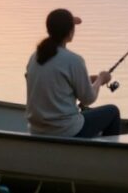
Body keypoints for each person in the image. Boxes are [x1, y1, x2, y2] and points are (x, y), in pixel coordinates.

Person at [25, 8, 121, 138]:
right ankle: (108, 156)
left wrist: (87, 79)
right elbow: (88, 99)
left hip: (36, 130)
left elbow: (55, 82)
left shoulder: (35, 57)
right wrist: (100, 79)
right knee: (113, 112)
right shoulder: (74, 60)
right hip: (66, 130)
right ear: (70, 33)